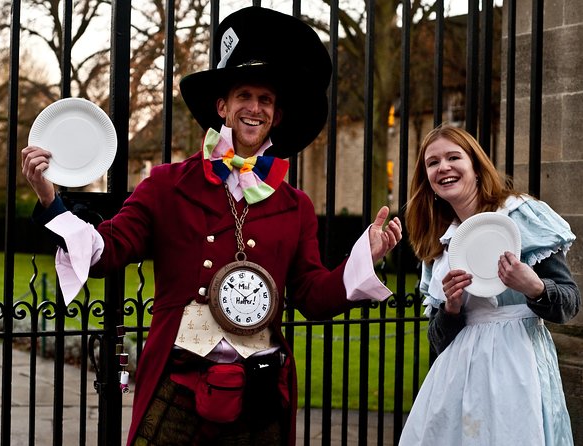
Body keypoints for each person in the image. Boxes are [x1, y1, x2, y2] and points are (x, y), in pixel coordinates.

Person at [22, 6, 402, 446]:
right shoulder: (165, 185)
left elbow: (313, 295)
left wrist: (365, 258)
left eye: (265, 100)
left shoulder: (296, 205)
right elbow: (109, 250)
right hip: (178, 384)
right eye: (244, 96)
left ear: (276, 115)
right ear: (222, 105)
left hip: (260, 392)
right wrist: (51, 198)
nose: (254, 108)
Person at [400, 124, 580, 445]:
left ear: (476, 166)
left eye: (454, 157)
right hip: (457, 380)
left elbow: (570, 304)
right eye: (433, 162)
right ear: (427, 178)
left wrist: (534, 286)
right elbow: (438, 341)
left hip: (519, 368)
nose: (444, 167)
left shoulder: (521, 215)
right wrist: (451, 309)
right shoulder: (440, 241)